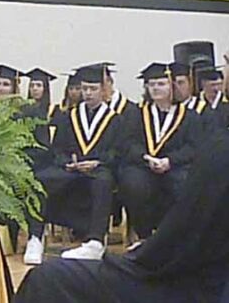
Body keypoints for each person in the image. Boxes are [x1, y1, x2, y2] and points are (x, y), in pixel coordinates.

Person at [15, 129, 229, 303]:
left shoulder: (221, 150)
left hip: (200, 286)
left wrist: (143, 252)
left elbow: (186, 232)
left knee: (48, 279)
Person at [34, 64, 123, 261]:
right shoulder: (69, 117)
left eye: (93, 89)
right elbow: (57, 149)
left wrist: (98, 162)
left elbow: (117, 152)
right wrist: (67, 162)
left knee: (104, 182)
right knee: (40, 179)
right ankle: (35, 237)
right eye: (84, 89)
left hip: (98, 169)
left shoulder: (114, 119)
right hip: (71, 169)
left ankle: (95, 241)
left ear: (103, 90)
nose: (88, 93)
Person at [117, 63, 199, 241]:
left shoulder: (189, 116)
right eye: (151, 84)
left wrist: (169, 161)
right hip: (144, 165)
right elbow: (129, 143)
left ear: (172, 86)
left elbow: (193, 147)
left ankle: (177, 236)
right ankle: (144, 236)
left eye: (161, 84)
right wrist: (146, 158)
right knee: (133, 183)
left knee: (184, 183)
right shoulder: (137, 114)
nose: (155, 88)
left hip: (176, 166)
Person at [19, 68, 55, 265]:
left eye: (38, 85)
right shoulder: (22, 110)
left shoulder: (54, 112)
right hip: (18, 162)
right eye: (32, 85)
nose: (34, 89)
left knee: (38, 183)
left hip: (42, 163)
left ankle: (35, 237)